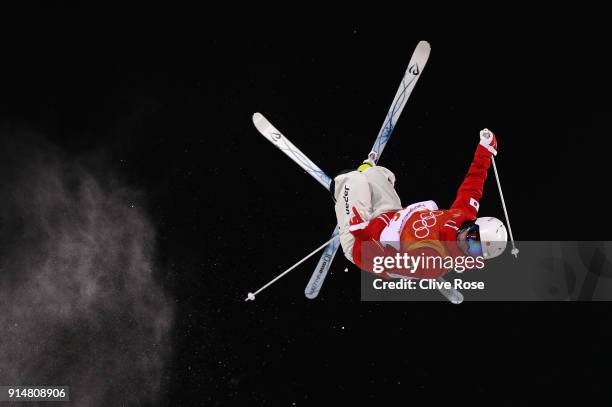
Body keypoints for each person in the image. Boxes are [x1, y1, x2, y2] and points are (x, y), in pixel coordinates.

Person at [331, 129, 507, 280]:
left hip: (362, 243)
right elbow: (474, 183)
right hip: (390, 217)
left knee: (352, 180)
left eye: (475, 250)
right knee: (377, 174)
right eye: (472, 237)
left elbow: (383, 263)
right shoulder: (463, 215)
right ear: (472, 226)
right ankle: (365, 176)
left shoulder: (433, 261)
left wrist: (363, 234)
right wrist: (485, 150)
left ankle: (340, 190)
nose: (467, 244)